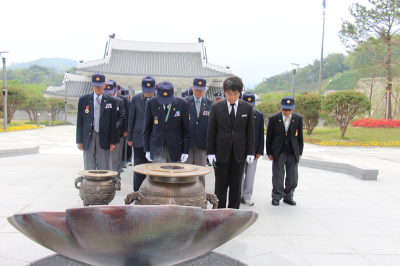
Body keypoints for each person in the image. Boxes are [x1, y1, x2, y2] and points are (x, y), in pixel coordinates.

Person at [206, 76, 255, 209]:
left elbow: (250, 131)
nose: (232, 97)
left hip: (239, 153)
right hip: (221, 152)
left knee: (236, 185)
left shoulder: (247, 108)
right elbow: (211, 131)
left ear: (240, 93)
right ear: (224, 91)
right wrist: (210, 152)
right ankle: (219, 212)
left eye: (235, 94)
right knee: (220, 185)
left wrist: (251, 152)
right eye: (229, 94)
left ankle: (233, 214)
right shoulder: (216, 107)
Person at [266, 96, 304, 206]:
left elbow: (300, 137)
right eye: (285, 109)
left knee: (292, 176)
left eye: (289, 110)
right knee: (278, 175)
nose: (287, 112)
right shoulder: (274, 118)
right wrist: (269, 152)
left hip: (293, 152)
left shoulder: (298, 118)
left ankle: (288, 196)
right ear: (280, 107)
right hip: (279, 151)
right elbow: (269, 137)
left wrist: (300, 152)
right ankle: (277, 196)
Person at [76, 72, 117, 170]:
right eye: (95, 86)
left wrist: (112, 142)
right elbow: (80, 121)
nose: (98, 88)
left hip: (104, 135)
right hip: (89, 134)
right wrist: (79, 140)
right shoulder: (84, 100)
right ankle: (90, 184)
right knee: (89, 164)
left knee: (104, 165)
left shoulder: (111, 101)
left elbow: (113, 123)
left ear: (105, 85)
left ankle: (103, 184)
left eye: (100, 86)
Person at [143, 81, 190, 163]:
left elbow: (186, 130)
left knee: (173, 174)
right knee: (158, 174)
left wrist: (185, 151)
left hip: (175, 147)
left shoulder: (182, 104)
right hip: (157, 146)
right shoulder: (151, 103)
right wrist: (147, 150)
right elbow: (147, 128)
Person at [184, 77, 214, 187]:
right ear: (192, 88)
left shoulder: (211, 104)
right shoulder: (184, 102)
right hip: (187, 143)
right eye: (196, 89)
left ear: (204, 90)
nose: (198, 92)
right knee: (186, 172)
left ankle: (200, 196)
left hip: (202, 143)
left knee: (200, 172)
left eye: (201, 90)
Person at [128, 76, 156, 191]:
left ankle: (152, 192)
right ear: (141, 87)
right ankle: (137, 193)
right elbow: (131, 119)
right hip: (138, 138)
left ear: (155, 87)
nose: (148, 93)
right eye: (145, 90)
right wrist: (130, 137)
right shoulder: (135, 99)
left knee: (153, 168)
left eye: (150, 91)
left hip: (154, 140)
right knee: (139, 167)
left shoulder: (160, 99)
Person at [241, 92, 264, 206]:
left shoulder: (258, 115)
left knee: (250, 175)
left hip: (253, 151)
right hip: (239, 150)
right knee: (238, 175)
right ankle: (238, 195)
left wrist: (259, 150)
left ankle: (247, 196)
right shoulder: (237, 113)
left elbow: (260, 133)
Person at [103, 81, 125, 179]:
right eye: (107, 92)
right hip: (102, 134)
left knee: (115, 158)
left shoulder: (119, 101)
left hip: (115, 134)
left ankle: (116, 179)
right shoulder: (100, 101)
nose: (109, 94)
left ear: (115, 90)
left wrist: (112, 127)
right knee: (103, 158)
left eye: (110, 92)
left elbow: (121, 118)